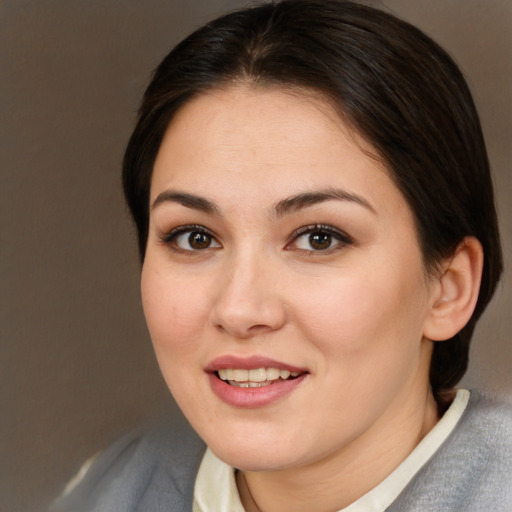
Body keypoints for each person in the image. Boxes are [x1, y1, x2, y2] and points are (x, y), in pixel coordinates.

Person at [51, 0, 512, 510]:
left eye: (319, 238)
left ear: (449, 288)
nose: (239, 310)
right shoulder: (106, 491)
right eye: (195, 237)